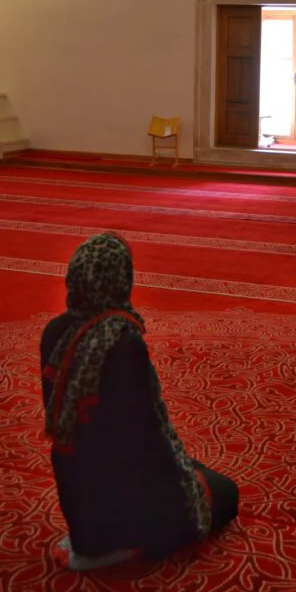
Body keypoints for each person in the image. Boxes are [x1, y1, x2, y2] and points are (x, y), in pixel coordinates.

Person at [40, 231, 239, 570]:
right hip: (124, 515)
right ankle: (125, 545)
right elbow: (149, 441)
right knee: (225, 492)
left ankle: (93, 540)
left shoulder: (54, 333)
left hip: (79, 503)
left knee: (194, 467)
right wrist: (182, 484)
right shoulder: (121, 343)